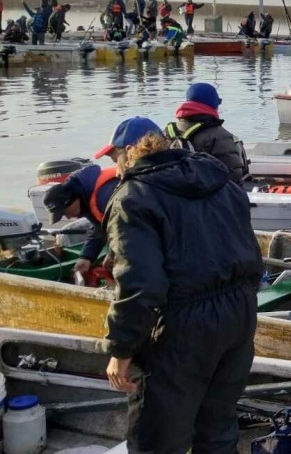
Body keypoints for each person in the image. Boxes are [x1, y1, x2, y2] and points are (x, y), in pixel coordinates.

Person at [102, 117, 262, 452]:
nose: (115, 168)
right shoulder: (218, 179)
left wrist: (121, 348)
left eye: (115, 158)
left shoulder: (133, 198)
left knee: (159, 436)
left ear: (129, 153)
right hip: (240, 313)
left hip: (184, 324)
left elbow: (140, 284)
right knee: (217, 425)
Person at [42, 160, 121, 278]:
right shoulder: (86, 197)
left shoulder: (104, 198)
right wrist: (86, 257)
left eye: (65, 212)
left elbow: (126, 228)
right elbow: (99, 229)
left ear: (72, 201)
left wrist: (113, 253)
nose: (68, 217)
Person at [165, 82, 250, 184]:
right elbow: (234, 176)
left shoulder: (166, 133)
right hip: (209, 197)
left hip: (172, 195)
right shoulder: (221, 136)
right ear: (213, 105)